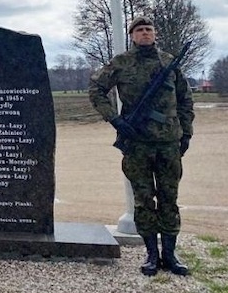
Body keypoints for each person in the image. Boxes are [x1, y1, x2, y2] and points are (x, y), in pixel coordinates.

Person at [88, 16, 194, 277]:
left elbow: (185, 100)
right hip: (137, 144)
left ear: (155, 34)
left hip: (169, 143)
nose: (145, 33)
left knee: (169, 199)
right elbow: (96, 88)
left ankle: (170, 255)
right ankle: (151, 255)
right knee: (144, 200)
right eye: (140, 30)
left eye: (149, 29)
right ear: (132, 35)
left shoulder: (169, 62)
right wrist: (114, 119)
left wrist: (186, 133)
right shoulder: (122, 63)